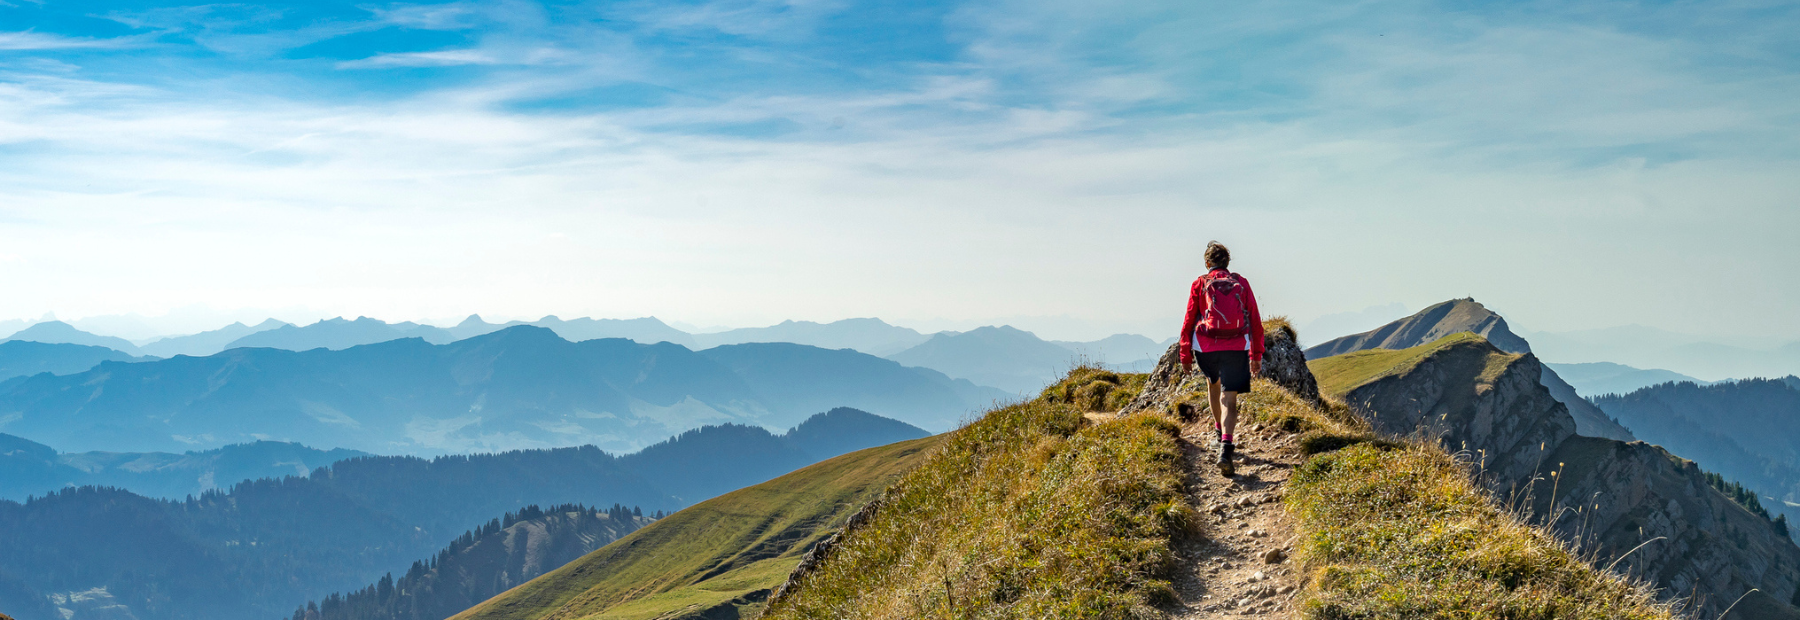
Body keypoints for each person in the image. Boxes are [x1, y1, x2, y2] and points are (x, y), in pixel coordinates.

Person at [1174, 241, 1264, 476]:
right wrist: (1256, 354)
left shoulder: (1200, 283)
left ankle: (1217, 431)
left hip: (1206, 347)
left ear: (1207, 264)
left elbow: (1189, 320)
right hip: (1236, 346)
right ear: (1227, 262)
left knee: (1213, 385)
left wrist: (1185, 354)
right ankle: (1226, 445)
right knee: (1230, 399)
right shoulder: (1241, 283)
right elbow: (1254, 319)